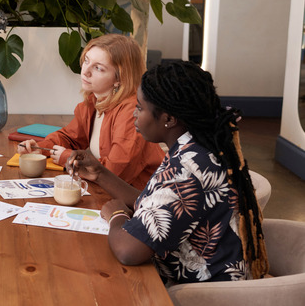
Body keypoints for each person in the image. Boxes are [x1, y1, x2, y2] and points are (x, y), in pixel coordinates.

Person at [68, 60, 268, 284]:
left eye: (141, 108)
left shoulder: (188, 168)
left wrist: (117, 216)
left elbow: (128, 251)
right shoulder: (196, 145)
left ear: (169, 119)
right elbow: (159, 203)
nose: (134, 114)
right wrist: (100, 173)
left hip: (202, 292)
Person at [18, 34, 164, 189]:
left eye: (98, 68)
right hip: (113, 192)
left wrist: (67, 157)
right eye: (86, 61)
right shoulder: (95, 101)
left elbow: (115, 172)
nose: (85, 71)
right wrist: (40, 147)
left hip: (146, 198)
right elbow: (70, 137)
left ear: (119, 79)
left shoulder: (131, 111)